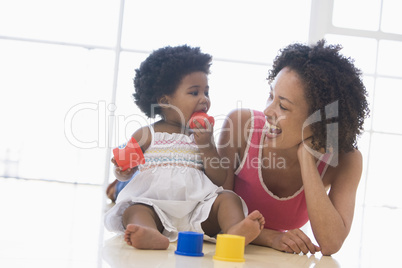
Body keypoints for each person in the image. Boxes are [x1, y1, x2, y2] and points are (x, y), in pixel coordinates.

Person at [104, 45, 265, 250]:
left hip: (197, 209)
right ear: (165, 101)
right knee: (134, 210)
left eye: (206, 91)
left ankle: (234, 231)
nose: (204, 99)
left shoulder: (202, 136)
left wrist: (207, 147)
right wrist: (122, 170)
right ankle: (150, 233)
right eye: (194, 92)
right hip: (155, 205)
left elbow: (218, 178)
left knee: (227, 198)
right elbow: (124, 171)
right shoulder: (146, 134)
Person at [217, 40, 370, 256]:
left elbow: (330, 243)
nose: (267, 111)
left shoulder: (346, 161)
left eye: (283, 106)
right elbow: (212, 217)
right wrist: (271, 237)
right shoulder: (240, 126)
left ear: (318, 120)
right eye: (271, 95)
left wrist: (306, 157)